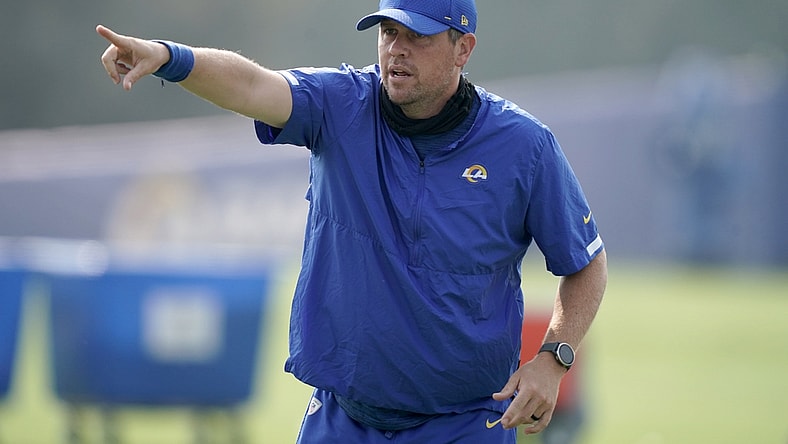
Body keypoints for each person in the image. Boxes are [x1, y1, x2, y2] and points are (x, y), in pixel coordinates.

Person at [97, 0, 607, 442]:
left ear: (462, 48)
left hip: (464, 424)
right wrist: (168, 57)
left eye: (417, 36)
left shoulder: (524, 147)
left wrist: (554, 357)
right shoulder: (340, 105)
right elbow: (253, 86)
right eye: (388, 33)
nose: (395, 49)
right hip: (343, 421)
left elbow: (585, 263)